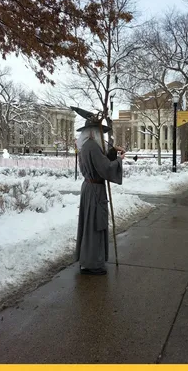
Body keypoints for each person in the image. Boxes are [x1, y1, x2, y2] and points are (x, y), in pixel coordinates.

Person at [75, 118, 125, 276]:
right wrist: (118, 160)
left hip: (90, 188)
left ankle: (90, 260)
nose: (102, 136)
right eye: (99, 132)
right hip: (95, 190)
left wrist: (111, 153)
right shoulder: (92, 146)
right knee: (95, 225)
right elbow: (104, 168)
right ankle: (92, 263)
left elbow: (99, 164)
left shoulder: (86, 146)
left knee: (91, 224)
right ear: (93, 132)